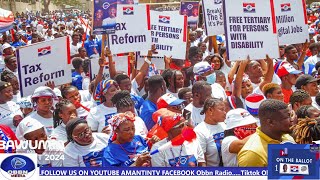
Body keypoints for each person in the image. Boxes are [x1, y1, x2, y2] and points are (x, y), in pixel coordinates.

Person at [238, 99, 295, 167]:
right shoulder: (253, 154)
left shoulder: (287, 138)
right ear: (271, 122)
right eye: (287, 117)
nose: (292, 120)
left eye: (291, 115)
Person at [193, 98, 226, 166]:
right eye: (221, 109)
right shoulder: (199, 131)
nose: (225, 113)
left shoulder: (224, 125)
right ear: (210, 110)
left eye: (224, 110)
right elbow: (202, 161)